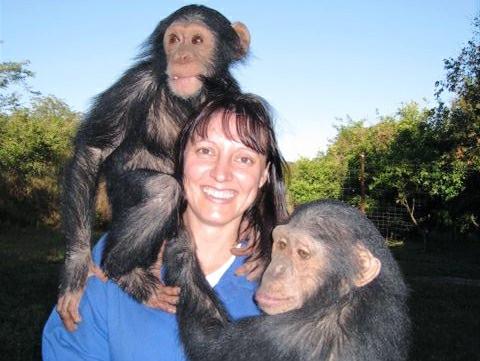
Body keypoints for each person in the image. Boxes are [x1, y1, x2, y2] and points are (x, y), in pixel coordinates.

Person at [42, 93, 288, 361]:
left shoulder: (289, 275)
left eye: (244, 159)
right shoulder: (117, 253)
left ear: (264, 174)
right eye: (206, 150)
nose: (221, 173)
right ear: (181, 160)